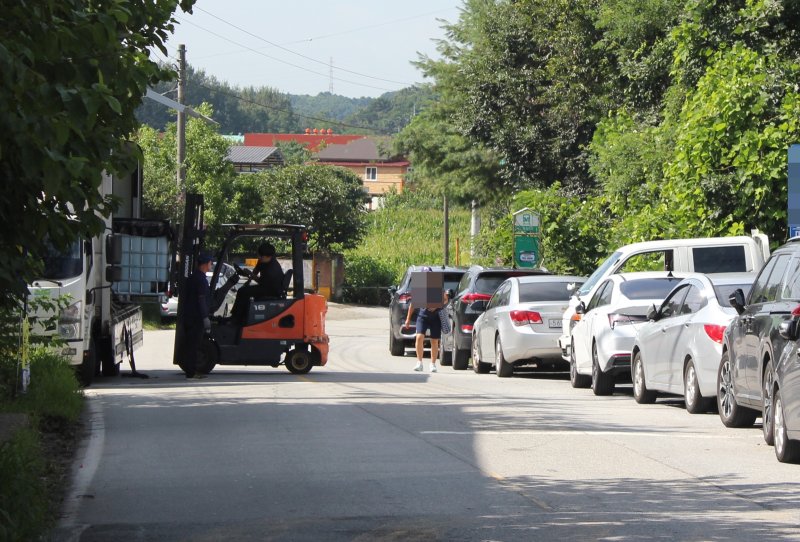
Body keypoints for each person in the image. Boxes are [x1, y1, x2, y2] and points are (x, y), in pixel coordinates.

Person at [231, 242, 285, 323]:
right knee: (243, 290)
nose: (259, 257)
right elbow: (256, 270)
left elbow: (261, 282)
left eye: (261, 256)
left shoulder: (272, 270)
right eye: (259, 255)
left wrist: (250, 274)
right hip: (265, 286)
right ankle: (238, 316)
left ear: (269, 256)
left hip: (271, 290)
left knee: (243, 292)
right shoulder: (262, 261)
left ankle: (236, 318)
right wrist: (248, 280)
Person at [180, 253, 213, 379]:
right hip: (196, 317)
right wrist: (205, 317)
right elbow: (201, 299)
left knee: (192, 344)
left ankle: (192, 371)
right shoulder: (200, 280)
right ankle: (191, 372)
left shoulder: (194, 277)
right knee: (193, 345)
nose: (211, 265)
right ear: (205, 264)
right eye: (210, 263)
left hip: (191, 316)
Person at [404, 287, 451, 373]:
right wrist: (408, 319)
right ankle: (419, 362)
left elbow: (445, 300)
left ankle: (433, 364)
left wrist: (436, 306)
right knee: (419, 337)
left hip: (436, 317)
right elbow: (413, 304)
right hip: (422, 316)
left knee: (434, 341)